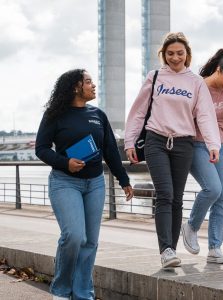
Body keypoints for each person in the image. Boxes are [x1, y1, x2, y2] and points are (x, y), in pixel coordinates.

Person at [35, 69, 134, 300]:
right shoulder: (54, 114)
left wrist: (124, 179)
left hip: (95, 184)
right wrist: (65, 163)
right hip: (64, 182)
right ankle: (60, 290)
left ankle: (83, 294)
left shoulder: (98, 115)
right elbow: (41, 148)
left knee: (90, 241)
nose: (93, 85)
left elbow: (109, 150)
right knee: (74, 236)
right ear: (75, 87)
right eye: (88, 81)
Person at [124, 32, 221, 268]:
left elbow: (206, 115)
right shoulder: (155, 77)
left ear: (187, 54)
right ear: (163, 55)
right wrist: (130, 141)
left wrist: (213, 144)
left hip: (184, 143)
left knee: (176, 199)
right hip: (156, 141)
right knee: (165, 194)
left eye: (179, 53)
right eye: (170, 53)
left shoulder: (196, 81)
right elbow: (138, 111)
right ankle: (165, 249)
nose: (175, 58)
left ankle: (172, 251)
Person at [181, 49, 223, 263]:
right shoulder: (198, 86)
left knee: (222, 197)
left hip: (222, 146)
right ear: (218, 70)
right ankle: (191, 226)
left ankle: (215, 249)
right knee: (212, 189)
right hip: (197, 144)